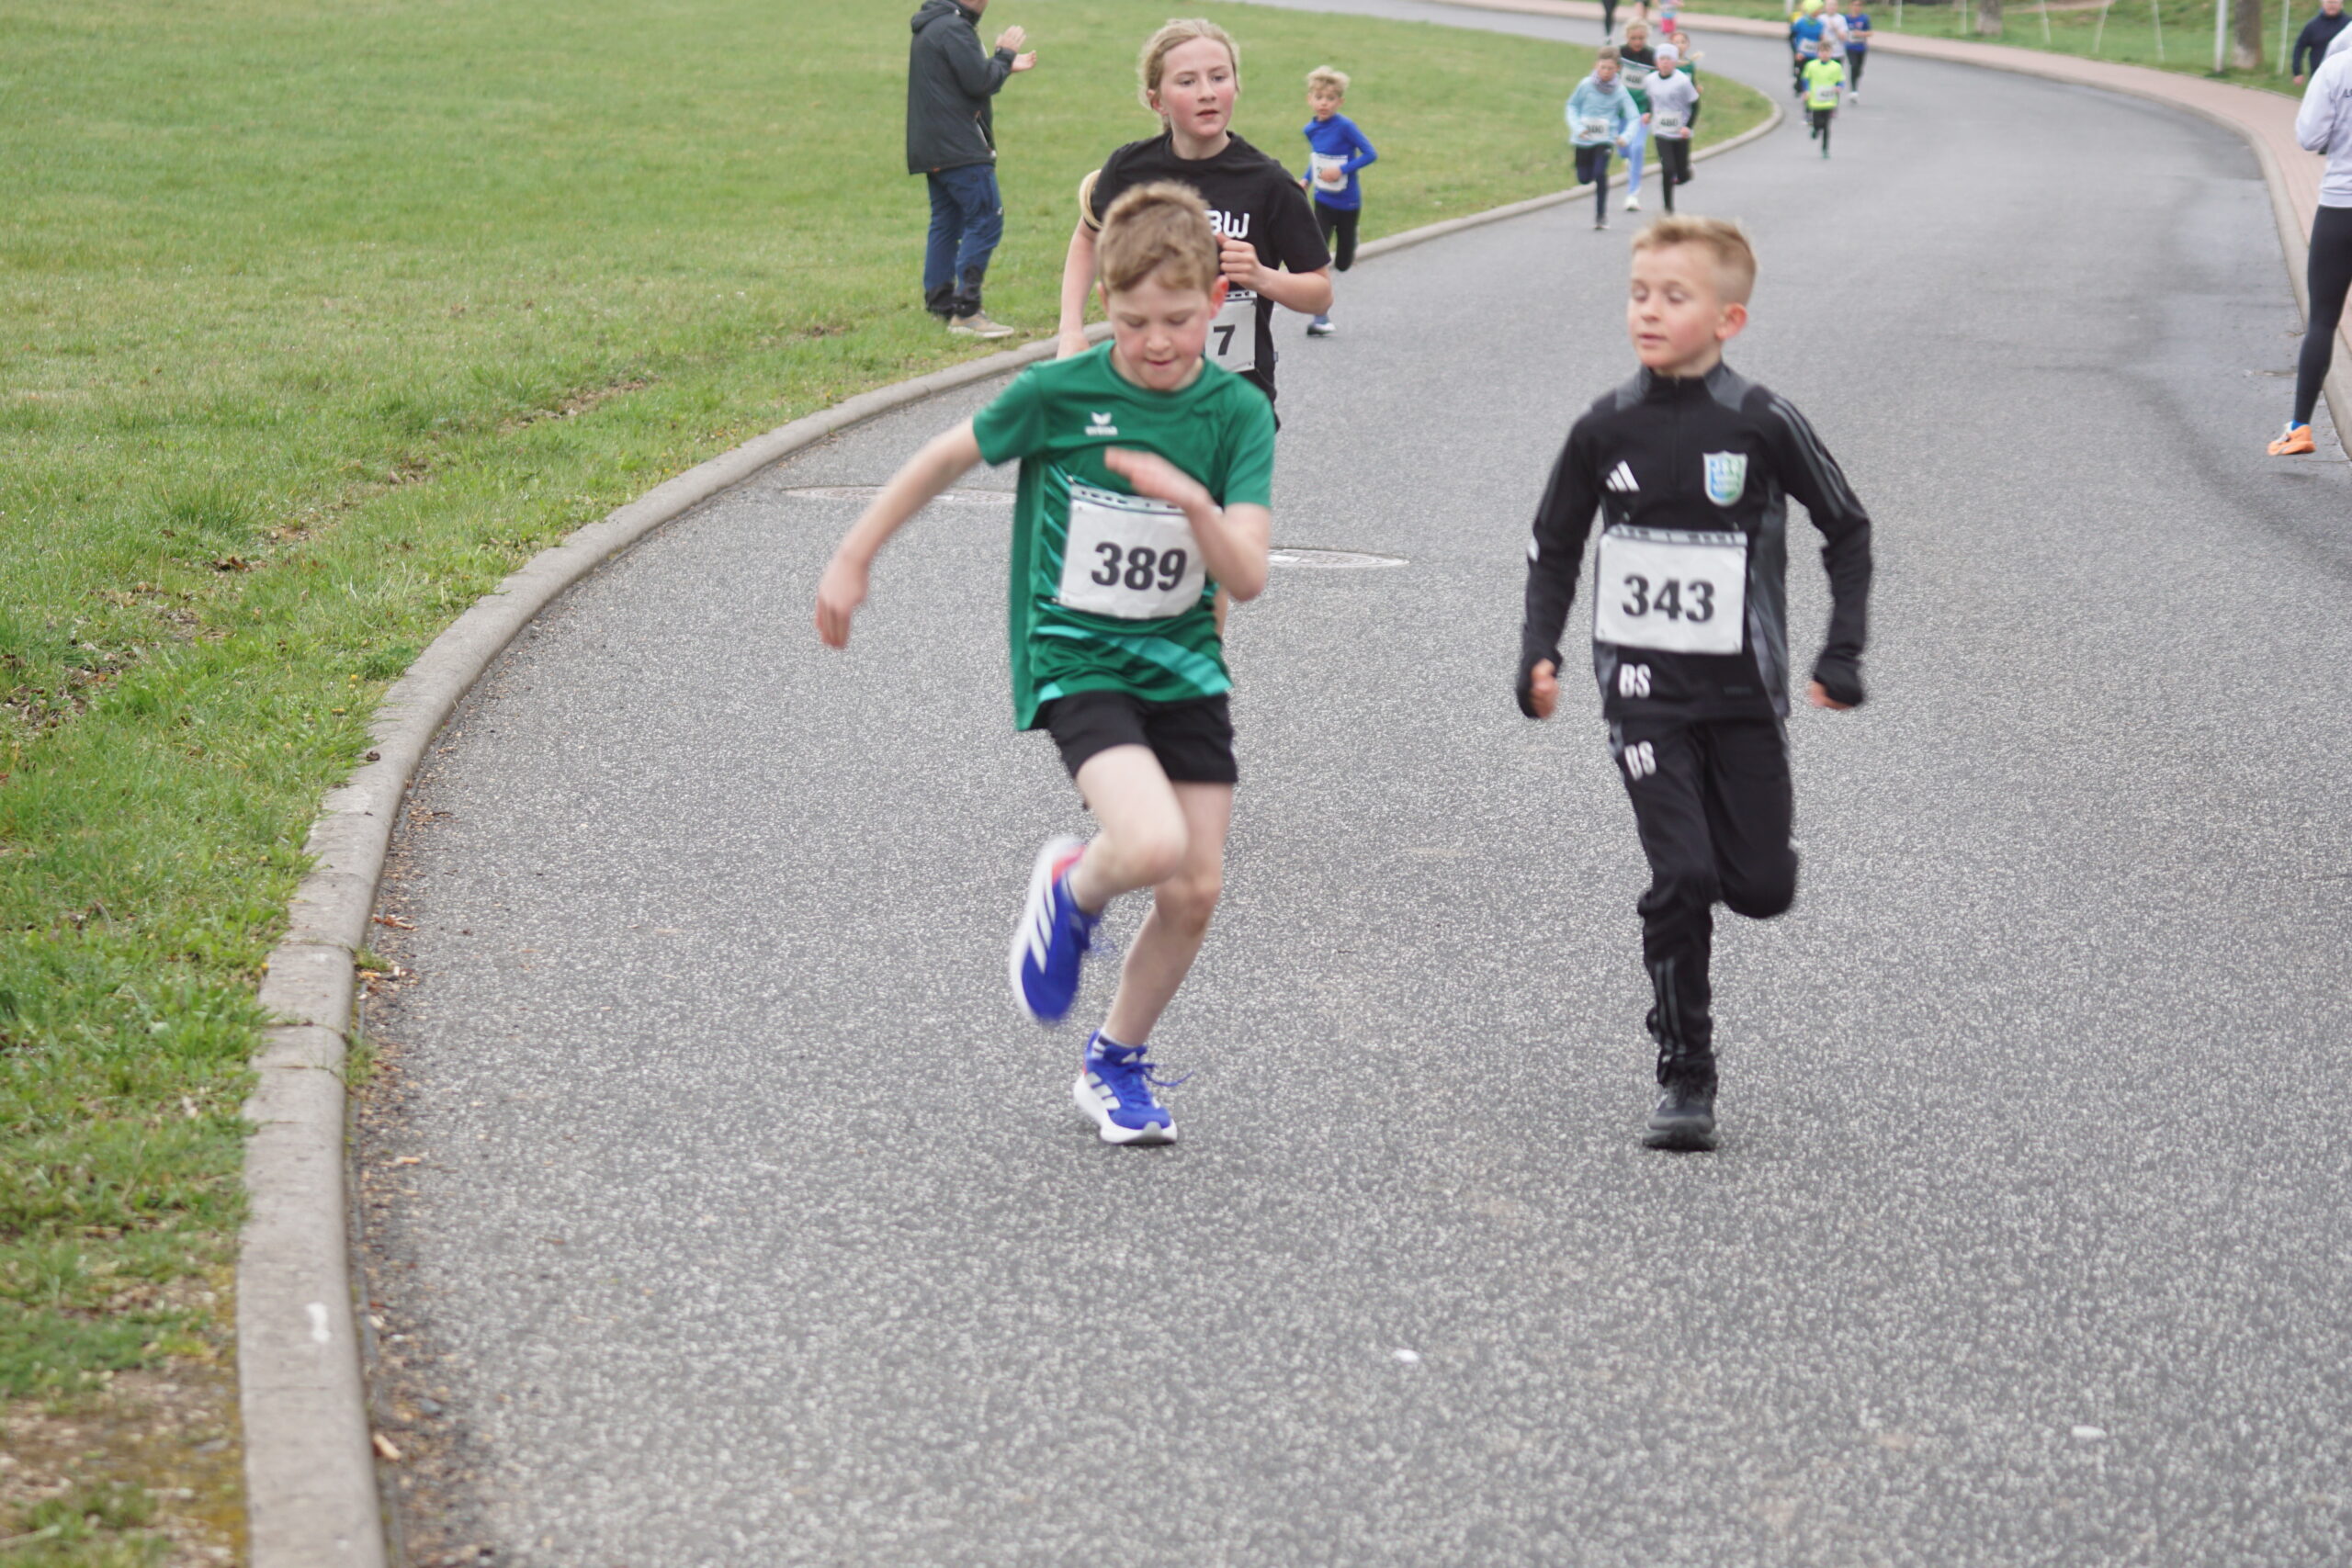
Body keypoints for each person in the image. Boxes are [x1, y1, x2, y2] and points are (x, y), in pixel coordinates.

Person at [817, 183, 1275, 1145]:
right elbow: (944, 458)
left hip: (1185, 665)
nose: (1156, 342)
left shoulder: (1236, 414)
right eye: (1134, 321)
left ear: (1215, 303)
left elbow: (1248, 575)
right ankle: (1072, 888)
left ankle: (1114, 1063)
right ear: (1105, 303)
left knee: (1195, 889)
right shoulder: (1061, 394)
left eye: (1178, 320)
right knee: (1148, 844)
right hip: (1078, 657)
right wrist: (855, 556)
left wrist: (1192, 504)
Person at [1515, 215, 1872, 1152]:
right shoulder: (1603, 426)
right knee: (1681, 876)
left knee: (1759, 887)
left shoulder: (1761, 421)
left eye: (1674, 297)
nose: (1649, 311)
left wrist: (1841, 651)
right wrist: (1538, 651)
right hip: (1643, 694)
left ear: (1728, 319)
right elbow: (1555, 544)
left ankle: (1731, 863)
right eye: (1639, 294)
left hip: (1743, 695)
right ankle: (1685, 1071)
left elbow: (1847, 527)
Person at [1057, 19, 1332, 421]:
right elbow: (1088, 239)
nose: (1207, 92)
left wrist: (1261, 277)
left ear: (1235, 86)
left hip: (1232, 405)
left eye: (1219, 77)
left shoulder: (1270, 184)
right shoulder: (1129, 169)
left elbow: (1320, 293)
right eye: (1187, 81)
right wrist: (1071, 331)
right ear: (1157, 101)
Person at [906, 0, 1038, 338]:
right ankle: (966, 312)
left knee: (946, 221)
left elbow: (968, 77)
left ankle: (941, 302)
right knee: (986, 219)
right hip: (961, 148)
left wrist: (1002, 66)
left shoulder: (934, 25)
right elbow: (980, 83)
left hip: (935, 148)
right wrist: (1004, 56)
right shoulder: (954, 28)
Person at [2273, 28, 2352, 455]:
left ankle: (2300, 427)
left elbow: (2309, 138)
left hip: (2340, 207)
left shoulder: (2337, 67)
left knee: (2322, 318)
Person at [1299, 65, 1378, 338]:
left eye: (1330, 98)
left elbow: (1370, 154)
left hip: (1348, 203)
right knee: (1318, 255)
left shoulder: (1345, 127)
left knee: (1343, 263)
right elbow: (1317, 159)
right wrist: (1306, 179)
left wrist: (1342, 170)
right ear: (1310, 99)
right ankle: (1320, 317)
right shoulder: (1311, 129)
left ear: (1339, 102)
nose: (1324, 103)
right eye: (1319, 97)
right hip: (1323, 200)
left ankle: (1351, 241)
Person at [1568, 48, 1639, 231]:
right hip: (1583, 139)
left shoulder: (1620, 91)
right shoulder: (1585, 85)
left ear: (1617, 69)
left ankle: (1601, 216)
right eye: (1603, 68)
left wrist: (1626, 136)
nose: (1606, 72)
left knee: (1600, 174)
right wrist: (1578, 128)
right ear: (1596, 66)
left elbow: (1634, 116)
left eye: (1610, 68)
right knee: (1584, 178)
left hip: (1605, 139)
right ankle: (1588, 171)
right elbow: (1572, 106)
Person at [1648, 50, 1701, 211]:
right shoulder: (1650, 80)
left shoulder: (1682, 81)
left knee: (1682, 174)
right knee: (1667, 169)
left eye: (1669, 59)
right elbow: (1647, 100)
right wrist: (1646, 113)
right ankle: (1668, 207)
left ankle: (1686, 172)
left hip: (1680, 132)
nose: (1665, 62)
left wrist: (1687, 126)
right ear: (1657, 62)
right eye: (1662, 59)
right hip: (1661, 131)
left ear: (1675, 62)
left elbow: (1695, 104)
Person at [1619, 21, 1660, 212]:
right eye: (1633, 38)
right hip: (1620, 112)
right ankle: (1628, 159)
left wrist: (1650, 111)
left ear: (1647, 38)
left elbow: (1656, 87)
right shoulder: (1619, 54)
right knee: (1624, 149)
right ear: (1626, 37)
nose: (1637, 42)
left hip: (1641, 112)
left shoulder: (1652, 57)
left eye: (1641, 38)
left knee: (1638, 148)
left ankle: (1632, 194)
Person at [1803, 47, 1845, 156]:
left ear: (1831, 53)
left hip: (1829, 100)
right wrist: (1806, 91)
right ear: (1818, 53)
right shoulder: (1811, 65)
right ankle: (1816, 130)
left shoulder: (1836, 66)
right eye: (1822, 52)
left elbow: (1841, 80)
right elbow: (1806, 79)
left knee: (1826, 125)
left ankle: (1825, 149)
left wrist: (1839, 87)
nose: (1824, 54)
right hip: (1816, 100)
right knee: (1817, 122)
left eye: (1827, 52)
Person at [2294, 0, 2348, 85]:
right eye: (2329, 2)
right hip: (2319, 76)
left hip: (2345, 76)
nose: (2332, 5)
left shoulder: (2349, 25)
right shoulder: (2312, 25)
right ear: (2322, 4)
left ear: (2341, 4)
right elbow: (2299, 47)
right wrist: (2297, 71)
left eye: (2335, 2)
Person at [1791, 0, 1826, 96]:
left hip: (1813, 54)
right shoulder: (1800, 22)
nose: (1820, 11)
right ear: (1812, 10)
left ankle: (1808, 92)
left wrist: (1822, 44)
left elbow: (1821, 38)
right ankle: (1798, 86)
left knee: (1811, 75)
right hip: (1801, 54)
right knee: (1800, 74)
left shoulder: (1820, 24)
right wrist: (1796, 52)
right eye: (1819, 9)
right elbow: (1791, 37)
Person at [1842, 0, 1871, 100]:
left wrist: (1861, 34)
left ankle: (1857, 75)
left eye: (1859, 5)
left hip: (1861, 47)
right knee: (1853, 66)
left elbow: (1870, 32)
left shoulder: (1864, 18)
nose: (1856, 7)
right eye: (1855, 5)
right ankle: (1853, 90)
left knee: (1858, 69)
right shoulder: (1846, 19)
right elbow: (1842, 30)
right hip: (1850, 47)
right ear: (1850, 6)